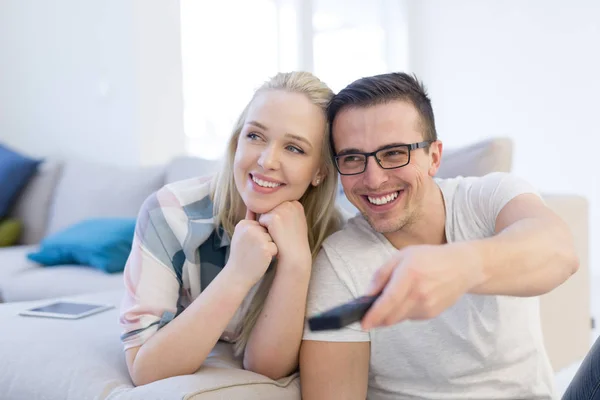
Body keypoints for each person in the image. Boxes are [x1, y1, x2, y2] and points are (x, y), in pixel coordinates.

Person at [299, 72, 580, 399]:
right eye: (352, 158)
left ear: (434, 156)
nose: (373, 179)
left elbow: (560, 253)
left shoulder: (488, 197)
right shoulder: (339, 263)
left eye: (393, 153)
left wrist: (458, 267)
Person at [119, 71, 344, 386]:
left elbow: (266, 367)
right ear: (236, 142)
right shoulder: (170, 212)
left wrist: (296, 264)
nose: (267, 161)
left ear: (319, 171)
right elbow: (146, 369)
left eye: (294, 148)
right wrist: (238, 273)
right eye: (255, 136)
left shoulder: (335, 237)